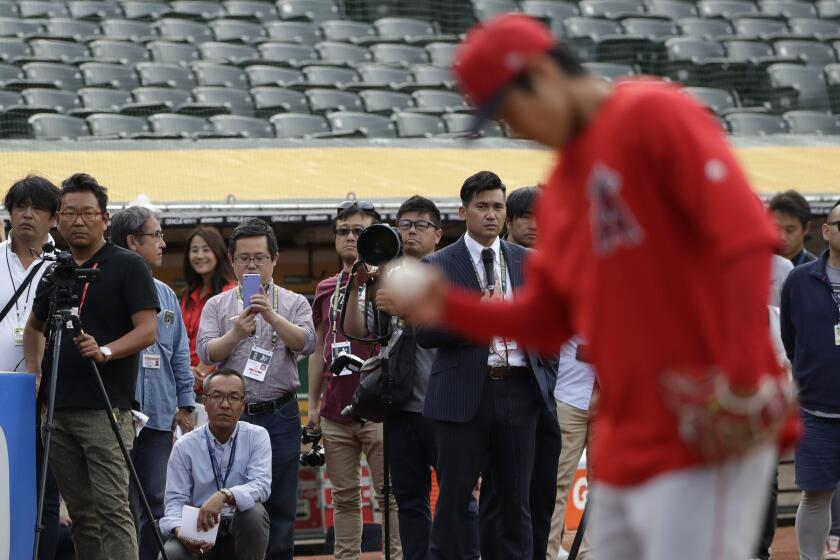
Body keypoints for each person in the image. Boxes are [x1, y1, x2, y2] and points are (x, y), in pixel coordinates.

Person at [387, 15, 795, 560]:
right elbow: (547, 317)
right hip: (629, 422)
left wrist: (740, 378)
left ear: (540, 76)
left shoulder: (650, 112)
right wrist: (446, 304)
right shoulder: (572, 182)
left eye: (509, 112)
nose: (514, 130)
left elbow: (743, 242)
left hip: (706, 412)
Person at [416, 171, 558, 560]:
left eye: (497, 206)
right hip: (462, 394)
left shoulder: (528, 262)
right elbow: (424, 331)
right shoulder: (437, 264)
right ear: (464, 211)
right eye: (482, 206)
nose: (491, 214)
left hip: (520, 390)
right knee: (455, 501)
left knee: (514, 501)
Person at [23, 172, 159, 560]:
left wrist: (107, 351)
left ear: (105, 218)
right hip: (58, 409)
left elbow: (148, 330)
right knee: (81, 514)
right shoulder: (54, 271)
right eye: (69, 213)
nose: (78, 221)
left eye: (87, 213)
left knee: (113, 509)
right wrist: (35, 371)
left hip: (106, 409)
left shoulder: (128, 265)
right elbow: (34, 329)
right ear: (58, 219)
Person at [345, 196, 478, 560]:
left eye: (421, 225)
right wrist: (360, 287)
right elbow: (361, 333)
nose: (412, 232)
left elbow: (462, 330)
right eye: (404, 225)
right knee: (408, 501)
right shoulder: (389, 276)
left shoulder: (454, 274)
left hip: (446, 406)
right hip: (400, 407)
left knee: (458, 496)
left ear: (438, 234)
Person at [197, 218, 314, 559]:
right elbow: (206, 351)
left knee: (280, 504)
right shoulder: (218, 306)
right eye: (244, 257)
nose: (252, 264)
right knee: (230, 499)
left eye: (260, 257)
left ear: (274, 260)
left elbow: (307, 343)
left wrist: (272, 316)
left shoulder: (293, 302)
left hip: (280, 413)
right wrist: (236, 333)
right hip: (231, 417)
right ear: (232, 260)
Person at [306, 200, 402, 560]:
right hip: (335, 408)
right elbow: (318, 349)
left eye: (359, 231)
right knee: (344, 498)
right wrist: (313, 406)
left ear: (375, 236)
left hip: (380, 407)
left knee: (389, 496)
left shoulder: (393, 281)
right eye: (343, 230)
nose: (350, 237)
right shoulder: (326, 287)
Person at [110, 205, 197, 560]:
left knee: (158, 502)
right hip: (115, 414)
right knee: (120, 504)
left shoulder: (165, 295)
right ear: (133, 241)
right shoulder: (106, 288)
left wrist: (186, 403)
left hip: (160, 416)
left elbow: (178, 353)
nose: (163, 243)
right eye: (156, 235)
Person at [482, 183, 561, 560]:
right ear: (508, 222)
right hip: (501, 393)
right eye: (524, 217)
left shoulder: (560, 268)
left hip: (551, 396)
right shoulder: (487, 263)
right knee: (502, 496)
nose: (534, 226)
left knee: (541, 493)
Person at [1, 175, 61, 560]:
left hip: (48, 392)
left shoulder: (65, 264)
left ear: (54, 217)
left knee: (45, 491)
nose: (27, 214)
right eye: (19, 206)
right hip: (2, 387)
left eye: (37, 207)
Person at [159, 368, 272, 560]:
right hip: (199, 526)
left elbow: (261, 486)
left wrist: (225, 495)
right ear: (205, 401)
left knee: (254, 512)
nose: (225, 405)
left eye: (234, 397)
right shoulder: (185, 445)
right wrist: (181, 532)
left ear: (243, 405)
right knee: (171, 554)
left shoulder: (257, 436)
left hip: (239, 523)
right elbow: (174, 502)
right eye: (217, 396)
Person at [780, 200, 840, 560]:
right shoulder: (799, 280)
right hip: (816, 411)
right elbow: (790, 337)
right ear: (826, 230)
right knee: (816, 496)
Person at [181, 226, 236, 393]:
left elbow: (231, 338)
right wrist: (186, 371)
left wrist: (200, 372)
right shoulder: (188, 295)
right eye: (194, 250)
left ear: (218, 253)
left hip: (217, 388)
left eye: (206, 249)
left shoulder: (230, 292)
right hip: (187, 382)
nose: (199, 256)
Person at [770, 190, 817, 267]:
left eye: (790, 230)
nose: (782, 237)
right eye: (776, 229)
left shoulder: (818, 271)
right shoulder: (759, 265)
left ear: (806, 228)